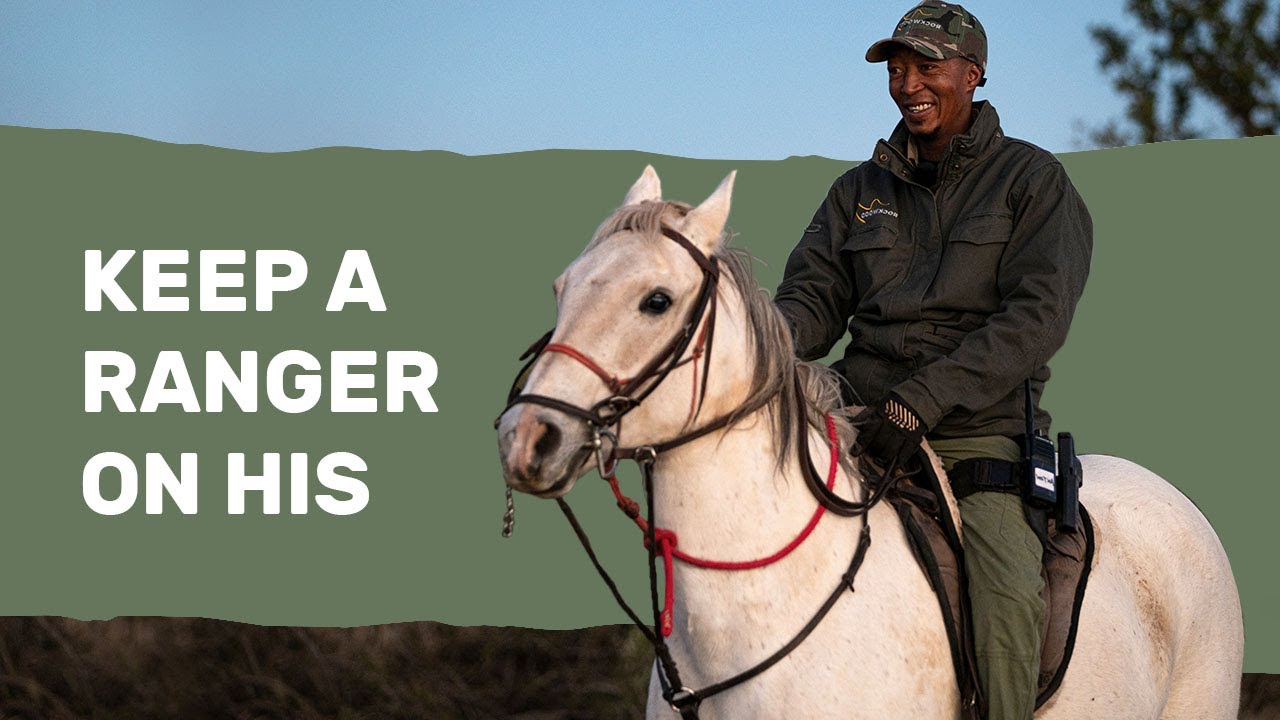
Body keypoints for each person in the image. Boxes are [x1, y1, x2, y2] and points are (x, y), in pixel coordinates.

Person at [773, 2, 1093, 719]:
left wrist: (924, 396)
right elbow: (813, 299)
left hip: (975, 430)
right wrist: (756, 344)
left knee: (1007, 595)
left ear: (973, 73)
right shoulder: (857, 192)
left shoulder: (1034, 183)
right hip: (857, 419)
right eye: (896, 68)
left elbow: (1036, 319)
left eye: (927, 66)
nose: (907, 82)